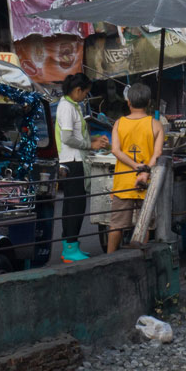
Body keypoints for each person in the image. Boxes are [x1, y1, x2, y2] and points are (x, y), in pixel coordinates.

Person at [56, 73, 108, 263]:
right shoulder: (67, 107)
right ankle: (70, 248)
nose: (85, 97)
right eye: (85, 93)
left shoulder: (71, 105)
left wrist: (93, 140)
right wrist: (89, 145)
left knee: (74, 205)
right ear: (78, 90)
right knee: (75, 206)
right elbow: (67, 138)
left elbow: (75, 135)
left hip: (76, 160)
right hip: (73, 162)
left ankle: (71, 246)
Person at [108, 83, 164, 253]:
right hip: (146, 183)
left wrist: (134, 166)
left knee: (116, 225)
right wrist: (144, 171)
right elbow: (158, 153)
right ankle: (141, 257)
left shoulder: (119, 123)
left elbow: (115, 150)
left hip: (123, 182)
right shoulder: (156, 125)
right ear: (148, 103)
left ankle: (108, 257)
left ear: (128, 102)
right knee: (144, 223)